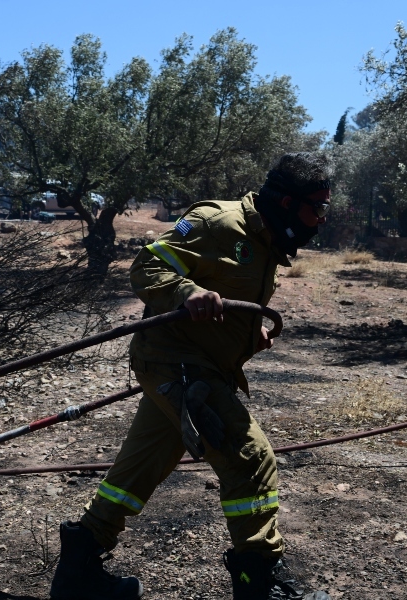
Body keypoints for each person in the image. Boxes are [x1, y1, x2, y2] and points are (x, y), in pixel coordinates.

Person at [49, 153, 334, 600]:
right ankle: (260, 581)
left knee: (137, 470)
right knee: (250, 459)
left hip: (200, 364)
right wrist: (188, 291)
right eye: (315, 207)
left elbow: (231, 294)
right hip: (176, 364)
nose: (320, 218)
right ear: (284, 201)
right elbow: (146, 267)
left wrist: (249, 333)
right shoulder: (215, 222)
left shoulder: (267, 241)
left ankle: (78, 572)